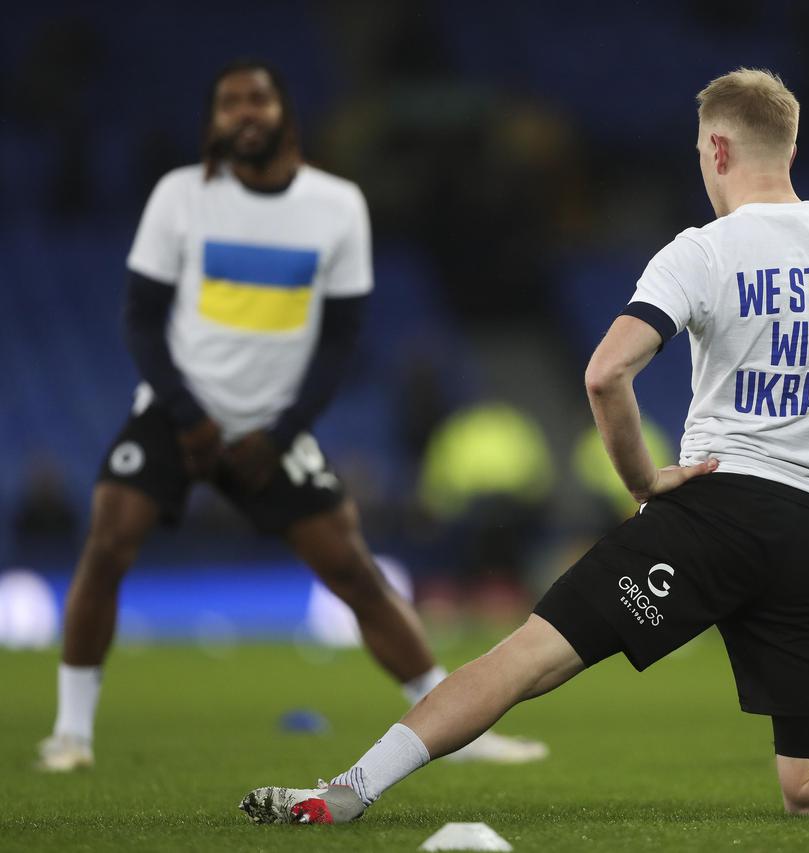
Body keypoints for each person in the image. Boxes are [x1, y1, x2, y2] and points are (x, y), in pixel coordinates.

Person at [239, 67, 809, 825]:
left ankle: (347, 792)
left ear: (717, 151)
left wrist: (644, 480)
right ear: (790, 150)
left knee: (524, 658)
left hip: (714, 514)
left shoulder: (702, 251)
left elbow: (607, 372)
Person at [36, 59, 545, 772]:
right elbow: (142, 323)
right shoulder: (181, 196)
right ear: (215, 121)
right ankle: (71, 734)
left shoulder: (336, 206)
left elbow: (340, 339)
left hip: (268, 427)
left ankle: (457, 725)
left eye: (256, 99)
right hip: (176, 413)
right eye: (227, 103)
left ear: (284, 114)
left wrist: (277, 433)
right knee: (108, 541)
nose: (242, 113)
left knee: (354, 571)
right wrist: (187, 415)